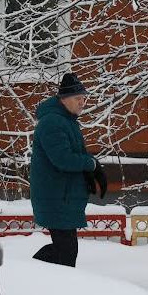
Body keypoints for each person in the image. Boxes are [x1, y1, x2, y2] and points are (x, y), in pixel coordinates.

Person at [29, 72, 108, 267]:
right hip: (56, 199)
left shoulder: (66, 121)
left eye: (84, 98)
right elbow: (63, 159)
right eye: (78, 98)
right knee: (66, 253)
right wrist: (91, 164)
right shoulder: (52, 122)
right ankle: (29, 273)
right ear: (64, 99)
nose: (83, 102)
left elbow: (72, 155)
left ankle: (31, 274)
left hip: (62, 198)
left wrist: (90, 170)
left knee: (64, 252)